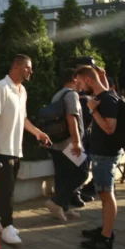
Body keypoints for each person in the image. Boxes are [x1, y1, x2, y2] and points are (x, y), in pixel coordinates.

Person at [0, 54, 52, 248]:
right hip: (0, 149)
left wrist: (37, 132)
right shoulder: (0, 88)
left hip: (15, 149)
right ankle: (7, 227)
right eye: (27, 67)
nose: (31, 71)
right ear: (16, 66)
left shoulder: (22, 91)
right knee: (6, 191)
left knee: (5, 188)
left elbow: (23, 119)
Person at [75, 65, 121, 249]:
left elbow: (110, 128)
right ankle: (105, 230)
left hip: (106, 155)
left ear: (87, 80)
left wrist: (93, 110)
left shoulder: (106, 100)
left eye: (79, 81)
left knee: (107, 195)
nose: (78, 85)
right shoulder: (103, 97)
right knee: (103, 194)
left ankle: (106, 239)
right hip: (102, 154)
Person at [45, 69, 87, 221]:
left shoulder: (58, 95)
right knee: (82, 172)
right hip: (69, 144)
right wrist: (76, 142)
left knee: (63, 176)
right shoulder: (72, 94)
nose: (83, 84)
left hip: (56, 143)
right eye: (81, 80)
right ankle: (56, 203)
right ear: (75, 79)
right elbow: (71, 119)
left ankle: (64, 207)